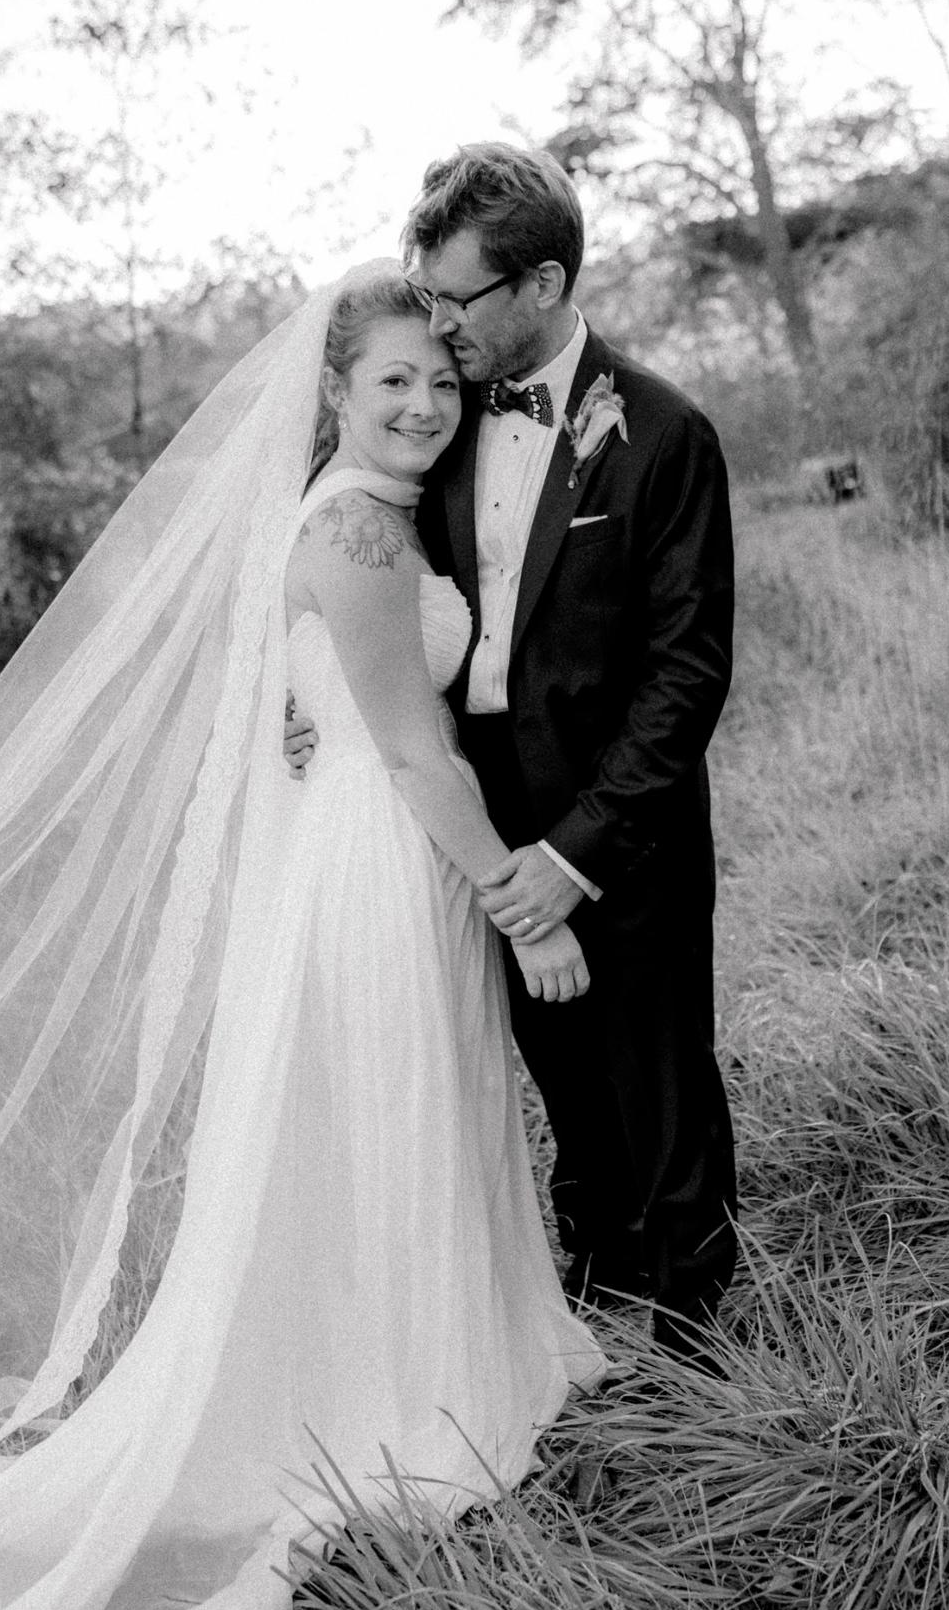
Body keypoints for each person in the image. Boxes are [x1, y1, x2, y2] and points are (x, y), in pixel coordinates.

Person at [0, 264, 604, 1610]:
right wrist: (526, 909)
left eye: (441, 379)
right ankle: (395, 1391)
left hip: (366, 855)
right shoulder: (354, 530)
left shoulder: (357, 516)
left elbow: (329, 709)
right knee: (390, 1123)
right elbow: (412, 753)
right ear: (334, 392)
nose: (424, 404)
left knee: (378, 1132)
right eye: (391, 381)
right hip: (383, 863)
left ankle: (410, 1358)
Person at [288, 145, 738, 1363]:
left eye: (457, 300)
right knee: (547, 1072)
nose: (438, 328)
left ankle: (699, 1342)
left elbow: (687, 675)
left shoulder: (664, 433)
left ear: (540, 284)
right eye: (427, 301)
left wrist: (578, 854)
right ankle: (587, 1291)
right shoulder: (438, 418)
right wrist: (306, 696)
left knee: (657, 1069)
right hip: (468, 805)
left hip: (617, 816)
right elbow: (344, 580)